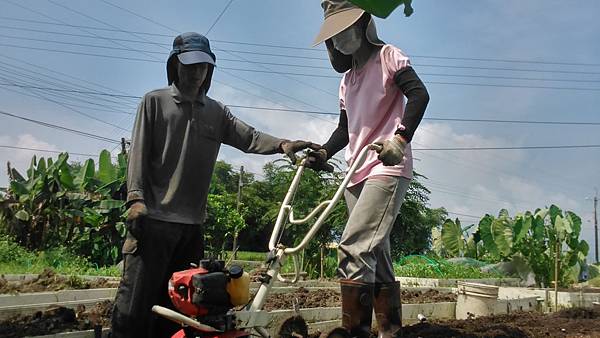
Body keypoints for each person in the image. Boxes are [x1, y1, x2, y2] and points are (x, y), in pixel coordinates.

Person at [110, 32, 318, 338]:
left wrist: (283, 144)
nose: (196, 72)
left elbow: (249, 137)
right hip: (154, 221)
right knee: (134, 306)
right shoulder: (154, 102)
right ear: (175, 65)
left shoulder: (215, 112)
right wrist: (136, 199)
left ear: (209, 71)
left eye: (203, 67)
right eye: (190, 65)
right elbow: (138, 152)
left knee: (184, 304)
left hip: (191, 226)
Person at [309, 1, 430, 337]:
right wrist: (323, 152)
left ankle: (355, 333)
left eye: (343, 30)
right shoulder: (347, 81)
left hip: (386, 165)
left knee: (354, 248)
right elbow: (344, 129)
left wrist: (400, 139)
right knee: (377, 254)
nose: (338, 39)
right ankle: (391, 331)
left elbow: (419, 94)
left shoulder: (389, 56)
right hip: (356, 171)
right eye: (333, 36)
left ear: (363, 25)